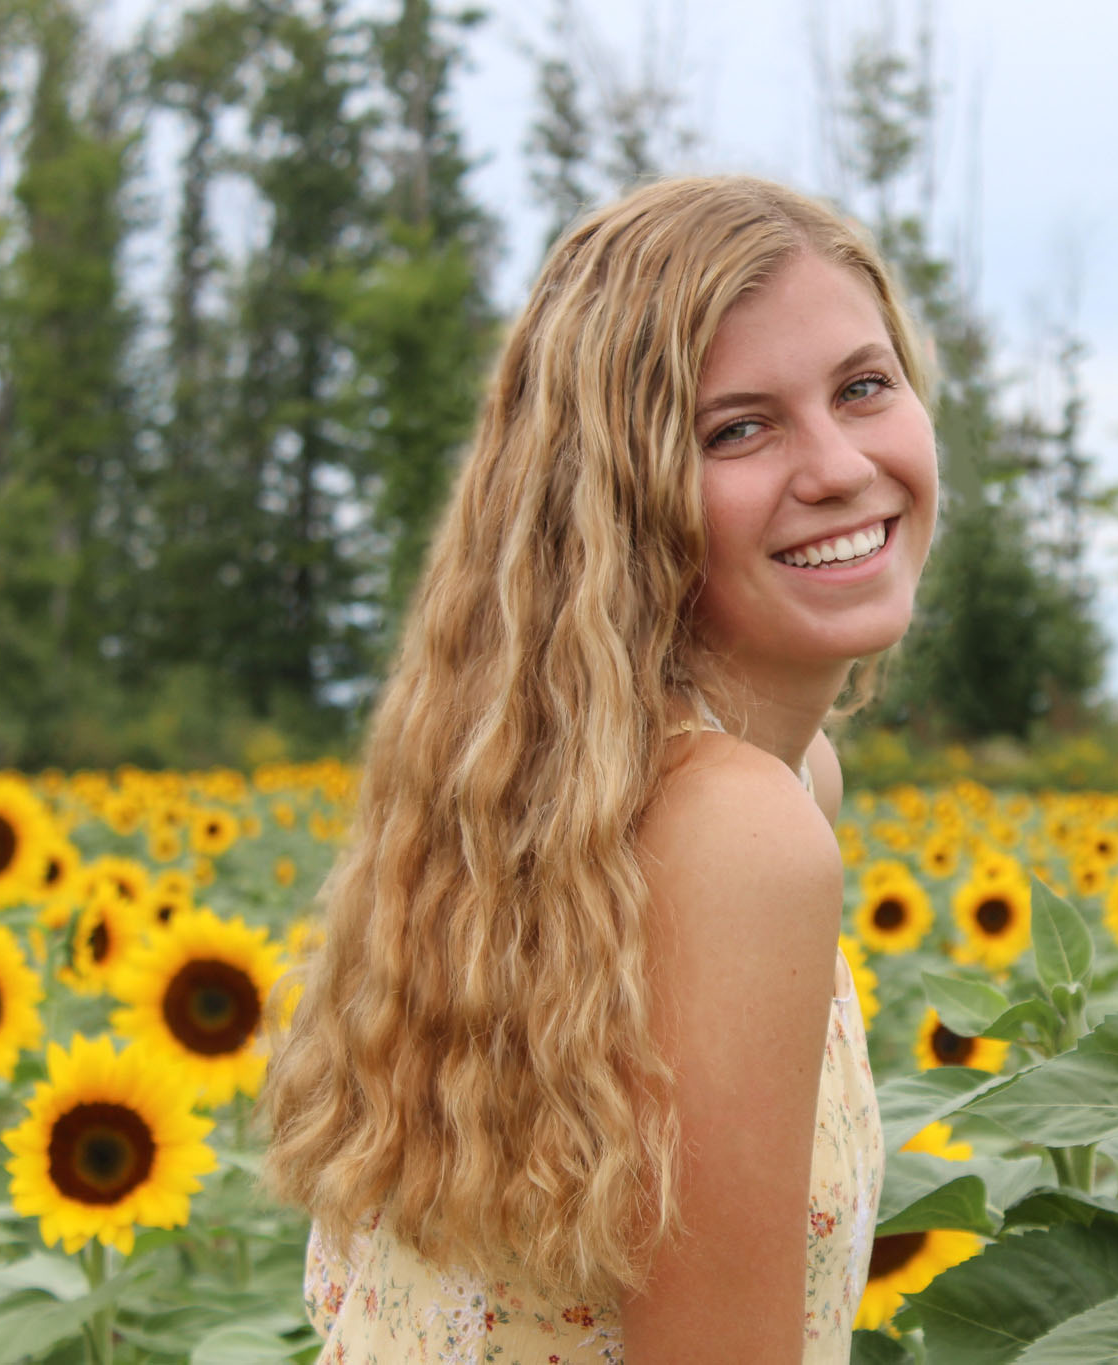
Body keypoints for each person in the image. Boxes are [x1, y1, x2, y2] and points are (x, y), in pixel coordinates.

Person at [258, 175, 939, 1363]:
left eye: (862, 387)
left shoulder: (557, 786)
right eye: (739, 427)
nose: (836, 465)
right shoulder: (737, 832)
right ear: (621, 498)